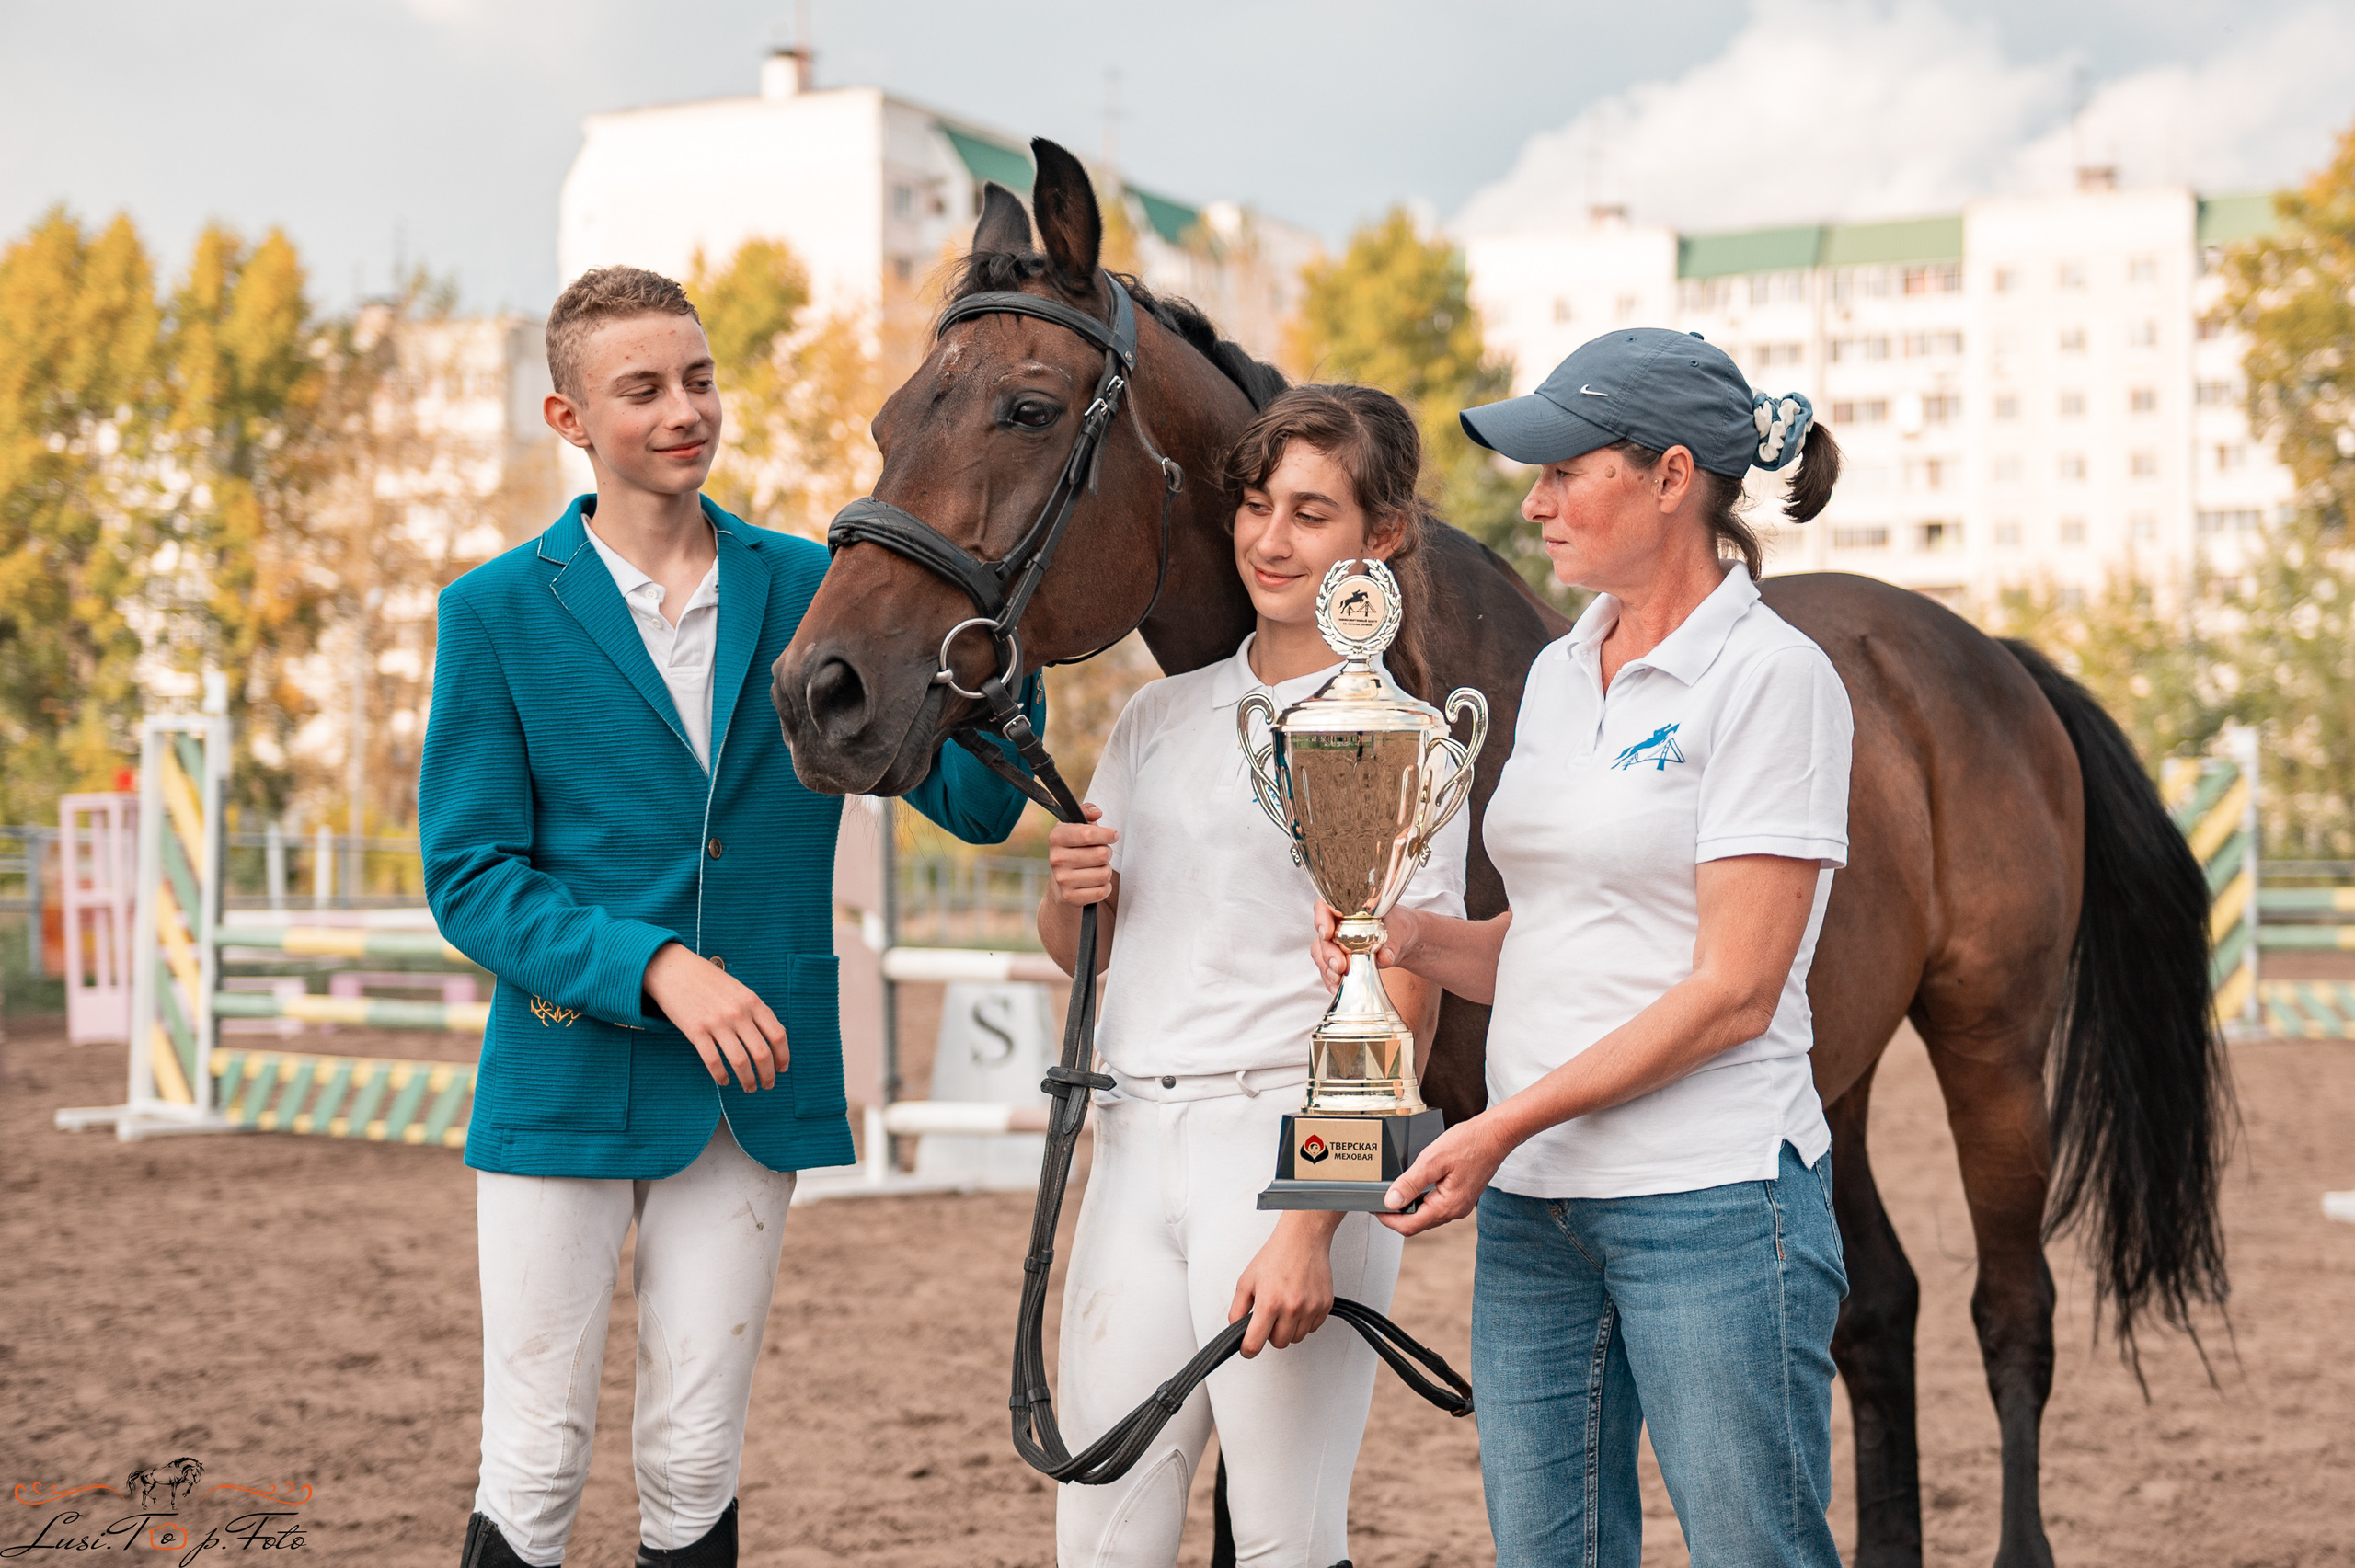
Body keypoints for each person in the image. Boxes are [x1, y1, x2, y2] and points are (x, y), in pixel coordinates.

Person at [420, 265, 1043, 1568]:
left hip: (750, 1088)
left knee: (694, 1456)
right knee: (535, 1463)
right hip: (566, 1070)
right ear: (566, 419)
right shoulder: (489, 614)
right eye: (640, 388)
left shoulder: (822, 585)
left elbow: (981, 813)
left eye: (698, 378)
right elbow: (470, 874)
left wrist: (994, 644)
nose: (682, 410)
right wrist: (656, 969)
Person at [1314, 329, 1854, 1567]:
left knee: (1752, 1552)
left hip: (1711, 1201)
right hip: (1540, 1213)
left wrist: (1497, 1124)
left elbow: (1730, 992)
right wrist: (1410, 937)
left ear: (1672, 479)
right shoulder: (1562, 672)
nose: (1535, 500)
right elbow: (1553, 944)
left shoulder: (1774, 679)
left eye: (1566, 468)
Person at [1039, 384, 1472, 1568]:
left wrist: (1313, 1228)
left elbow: (1403, 1008)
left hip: (1281, 1145)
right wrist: (1070, 889)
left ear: (1380, 536)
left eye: (1311, 512)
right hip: (1132, 1144)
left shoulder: (1400, 738)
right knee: (1102, 1533)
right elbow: (1082, 952)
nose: (1269, 540)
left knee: (1284, 1539)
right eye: (1255, 503)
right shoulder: (1156, 716)